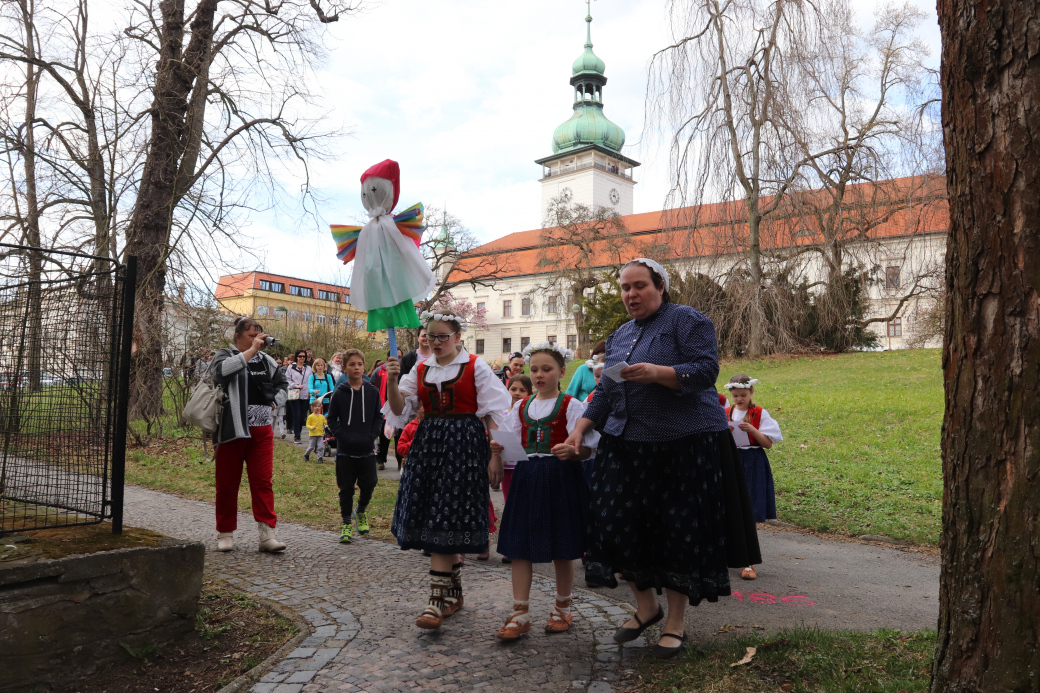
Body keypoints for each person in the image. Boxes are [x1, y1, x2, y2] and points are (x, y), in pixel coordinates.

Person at [563, 258, 760, 659]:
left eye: (639, 286)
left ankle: (675, 622)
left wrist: (659, 373)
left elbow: (706, 371)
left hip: (683, 442)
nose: (630, 294)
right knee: (615, 522)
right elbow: (604, 393)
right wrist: (580, 429)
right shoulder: (619, 336)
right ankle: (646, 607)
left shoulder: (686, 320)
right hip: (626, 443)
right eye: (624, 288)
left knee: (676, 532)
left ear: (660, 286)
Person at [384, 310, 512, 631]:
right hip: (428, 446)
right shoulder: (421, 367)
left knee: (446, 517)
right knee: (436, 516)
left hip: (464, 447)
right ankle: (451, 596)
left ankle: (436, 602)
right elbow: (400, 410)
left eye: (443, 336)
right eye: (430, 336)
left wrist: (496, 454)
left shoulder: (476, 366)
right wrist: (391, 380)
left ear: (457, 337)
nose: (435, 341)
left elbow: (495, 414)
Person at [492, 343, 598, 639]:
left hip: (561, 478)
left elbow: (591, 449)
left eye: (546, 369)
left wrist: (574, 452)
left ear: (562, 371)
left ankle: (563, 608)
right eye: (534, 369)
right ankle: (519, 613)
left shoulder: (572, 406)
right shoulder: (521, 407)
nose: (539, 375)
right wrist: (497, 450)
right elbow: (510, 441)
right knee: (518, 545)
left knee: (563, 547)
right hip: (527, 477)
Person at [210, 317, 288, 553]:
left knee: (263, 482)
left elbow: (282, 385)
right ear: (238, 337)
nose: (257, 340)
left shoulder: (267, 361)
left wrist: (275, 401)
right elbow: (221, 373)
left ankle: (267, 535)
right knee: (227, 484)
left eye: (259, 335)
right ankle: (225, 534)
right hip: (231, 431)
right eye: (251, 335)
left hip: (261, 432)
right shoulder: (225, 354)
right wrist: (251, 351)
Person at [723, 374, 783, 581]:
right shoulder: (725, 413)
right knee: (727, 508)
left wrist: (752, 430)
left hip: (753, 462)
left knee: (748, 510)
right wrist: (725, 432)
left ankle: (748, 562)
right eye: (735, 395)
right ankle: (726, 556)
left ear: (751, 393)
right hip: (731, 461)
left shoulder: (759, 414)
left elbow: (767, 444)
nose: (739, 399)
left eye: (743, 395)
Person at [326, 349, 382, 544]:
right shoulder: (339, 393)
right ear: (344, 368)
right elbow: (331, 419)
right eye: (352, 364)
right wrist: (342, 436)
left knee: (369, 483)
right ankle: (346, 523)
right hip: (345, 450)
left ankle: (361, 511)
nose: (356, 368)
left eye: (359, 364)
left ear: (364, 367)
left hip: (367, 448)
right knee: (346, 488)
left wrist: (372, 435)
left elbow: (378, 417)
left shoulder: (372, 391)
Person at [284, 350, 311, 442]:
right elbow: (287, 379)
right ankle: (297, 436)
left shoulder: (308, 368)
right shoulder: (291, 367)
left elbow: (310, 381)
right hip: (294, 393)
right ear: (297, 357)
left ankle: (298, 432)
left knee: (303, 415)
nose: (302, 358)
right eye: (300, 356)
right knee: (297, 414)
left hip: (305, 394)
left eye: (304, 356)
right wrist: (296, 386)